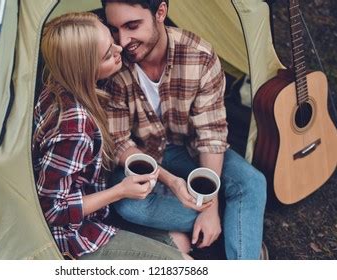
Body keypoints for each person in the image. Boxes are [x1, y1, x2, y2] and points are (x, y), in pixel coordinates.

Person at [101, 0, 267, 259]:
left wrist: (207, 207)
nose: (123, 41)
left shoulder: (199, 55)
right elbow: (119, 142)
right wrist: (180, 188)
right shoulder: (113, 63)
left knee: (252, 182)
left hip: (190, 150)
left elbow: (211, 134)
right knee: (127, 205)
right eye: (114, 30)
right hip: (144, 156)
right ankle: (239, 224)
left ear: (161, 12)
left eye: (132, 25)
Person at [32, 12, 189, 260]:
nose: (120, 48)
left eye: (111, 39)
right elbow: (53, 209)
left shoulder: (58, 86)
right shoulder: (74, 127)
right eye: (108, 55)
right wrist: (120, 192)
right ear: (85, 69)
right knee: (181, 263)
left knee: (181, 242)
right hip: (71, 235)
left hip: (96, 214)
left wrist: (168, 179)